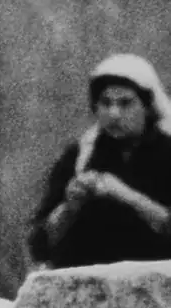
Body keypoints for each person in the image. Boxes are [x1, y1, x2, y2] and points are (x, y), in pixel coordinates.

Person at [29, 53, 171, 269]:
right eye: (105, 103)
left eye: (126, 103)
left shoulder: (166, 153)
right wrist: (69, 207)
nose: (114, 114)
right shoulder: (80, 156)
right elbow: (39, 245)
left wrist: (124, 195)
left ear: (147, 107)